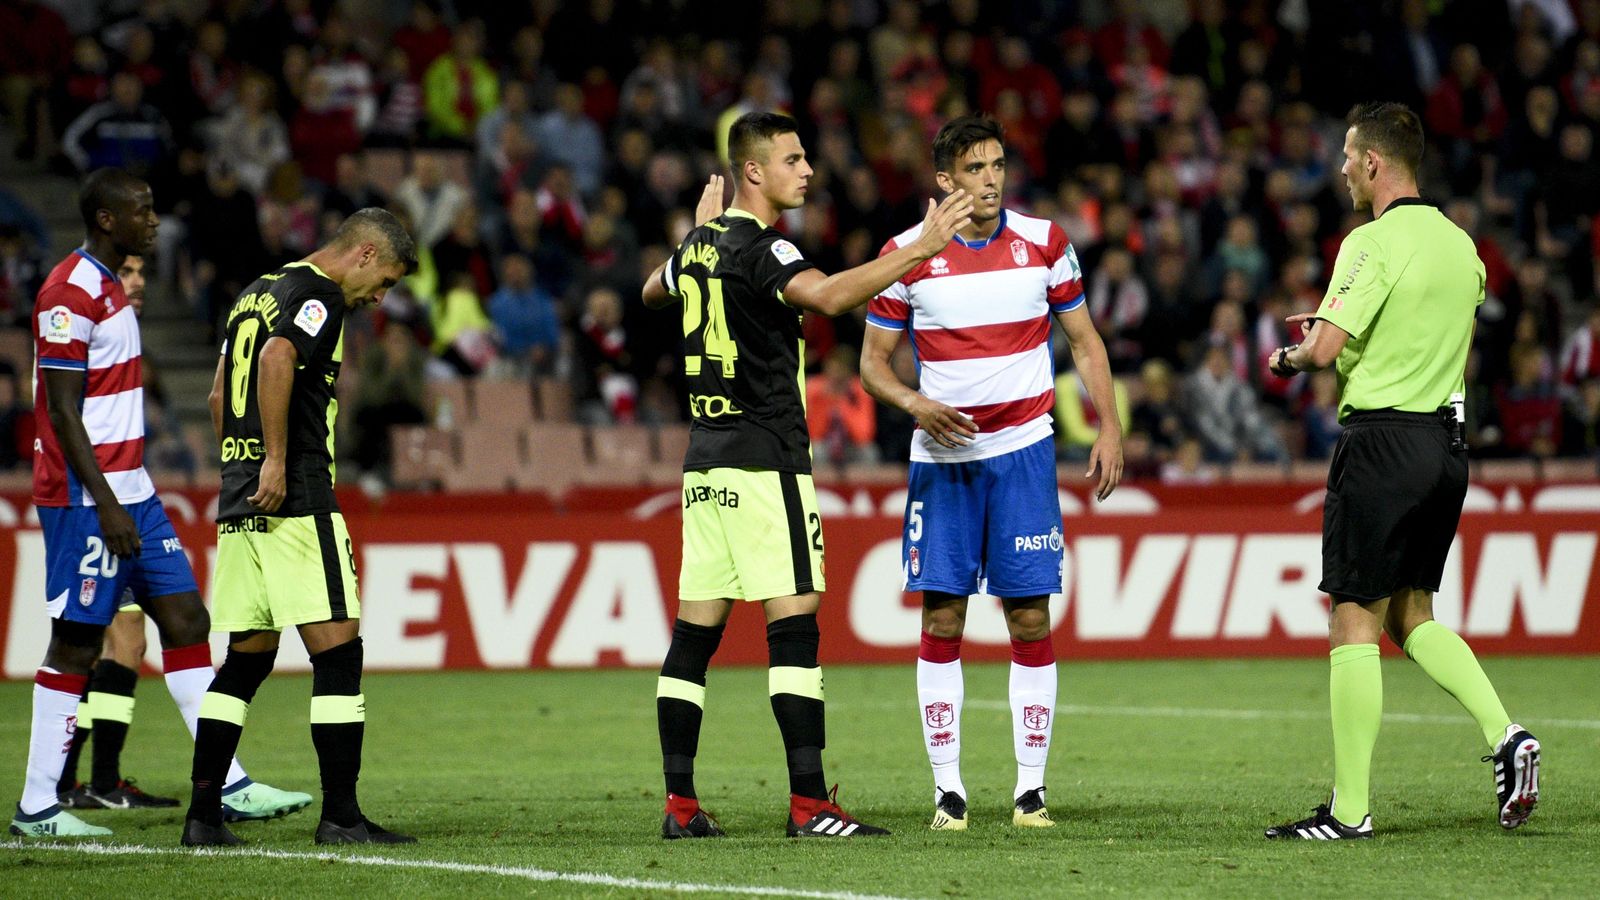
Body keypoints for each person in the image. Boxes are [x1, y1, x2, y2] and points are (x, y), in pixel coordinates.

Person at [641, 111, 973, 839]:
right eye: (793, 159)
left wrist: (693, 240)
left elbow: (650, 294)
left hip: (704, 466)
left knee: (693, 635)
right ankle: (809, 802)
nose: (808, 171)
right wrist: (922, 247)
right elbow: (826, 297)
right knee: (793, 625)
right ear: (752, 172)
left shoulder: (700, 245)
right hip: (765, 460)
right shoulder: (768, 247)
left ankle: (679, 804)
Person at [1264, 102, 1539, 840]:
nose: (1344, 167)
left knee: (1353, 616)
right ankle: (1506, 735)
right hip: (1446, 448)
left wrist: (1294, 352)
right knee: (1410, 613)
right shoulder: (1463, 246)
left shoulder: (1369, 242)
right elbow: (1416, 337)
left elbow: (1323, 356)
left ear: (1377, 162)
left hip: (1382, 443)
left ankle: (1349, 811)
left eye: (1351, 156)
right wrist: (1342, 340)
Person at [11, 170, 309, 840]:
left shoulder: (117, 289)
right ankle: (37, 806)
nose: (153, 217)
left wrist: (129, 493)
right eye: (141, 210)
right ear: (105, 219)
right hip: (90, 499)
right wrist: (107, 501)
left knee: (185, 618)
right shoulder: (68, 292)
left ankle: (227, 783)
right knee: (79, 641)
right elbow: (61, 412)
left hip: (135, 490)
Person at [858, 115, 1123, 832]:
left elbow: (1085, 341)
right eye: (975, 169)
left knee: (1029, 617)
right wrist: (917, 403)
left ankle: (1030, 791)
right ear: (944, 180)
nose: (991, 179)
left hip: (1025, 457)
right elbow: (871, 366)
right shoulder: (905, 256)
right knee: (943, 616)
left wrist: (1109, 424)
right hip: (944, 464)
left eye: (998, 165)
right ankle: (949, 792)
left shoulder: (1045, 243)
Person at [182, 208, 419, 847]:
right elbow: (280, 356)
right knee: (339, 655)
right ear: (366, 254)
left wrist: (243, 468)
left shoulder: (256, 293)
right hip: (295, 495)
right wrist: (278, 462)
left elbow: (214, 397)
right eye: (388, 280)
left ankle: (202, 818)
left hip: (239, 500)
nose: (381, 296)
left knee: (242, 665)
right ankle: (341, 816)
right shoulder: (317, 294)